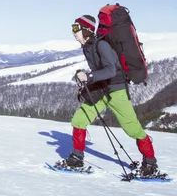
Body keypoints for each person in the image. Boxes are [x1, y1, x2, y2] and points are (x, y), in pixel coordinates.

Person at [64, 14, 158, 176]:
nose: (73, 32)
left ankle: (150, 164)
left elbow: (110, 70)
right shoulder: (87, 47)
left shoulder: (102, 45)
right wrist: (84, 75)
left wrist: (90, 77)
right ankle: (76, 158)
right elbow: (97, 71)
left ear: (86, 30)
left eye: (75, 28)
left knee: (133, 130)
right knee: (79, 120)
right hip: (101, 90)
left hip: (117, 91)